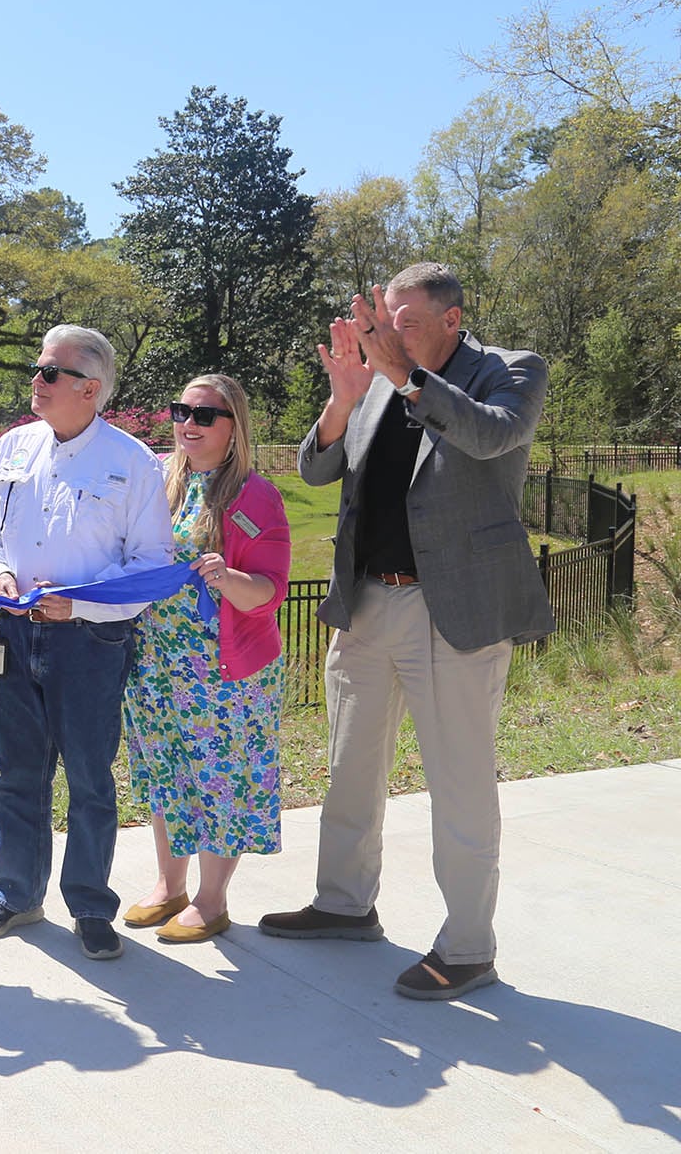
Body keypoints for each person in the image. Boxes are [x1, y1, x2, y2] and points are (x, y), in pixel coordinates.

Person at [261, 263, 552, 1001]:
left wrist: (409, 377)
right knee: (348, 767)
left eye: (407, 320)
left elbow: (492, 437)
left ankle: (468, 947)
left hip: (451, 611)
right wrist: (342, 400)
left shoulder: (507, 371)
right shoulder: (376, 375)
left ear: (452, 319)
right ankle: (344, 902)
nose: (388, 333)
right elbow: (319, 469)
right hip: (367, 603)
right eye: (384, 319)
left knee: (459, 784)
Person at [0, 324, 172, 961]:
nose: (37, 381)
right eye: (38, 368)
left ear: (91, 389)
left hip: (90, 643)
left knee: (89, 778)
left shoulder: (132, 462)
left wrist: (79, 600)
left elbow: (150, 564)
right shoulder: (14, 447)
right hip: (14, 634)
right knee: (17, 774)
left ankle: (89, 904)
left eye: (52, 372)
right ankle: (15, 893)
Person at [120, 375, 290, 944]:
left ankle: (213, 900)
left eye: (205, 415)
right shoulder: (159, 484)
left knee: (220, 779)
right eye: (181, 411)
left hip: (222, 672)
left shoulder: (254, 495)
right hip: (155, 664)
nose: (188, 424)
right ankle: (171, 886)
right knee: (166, 771)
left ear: (233, 426)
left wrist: (228, 576)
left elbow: (270, 591)